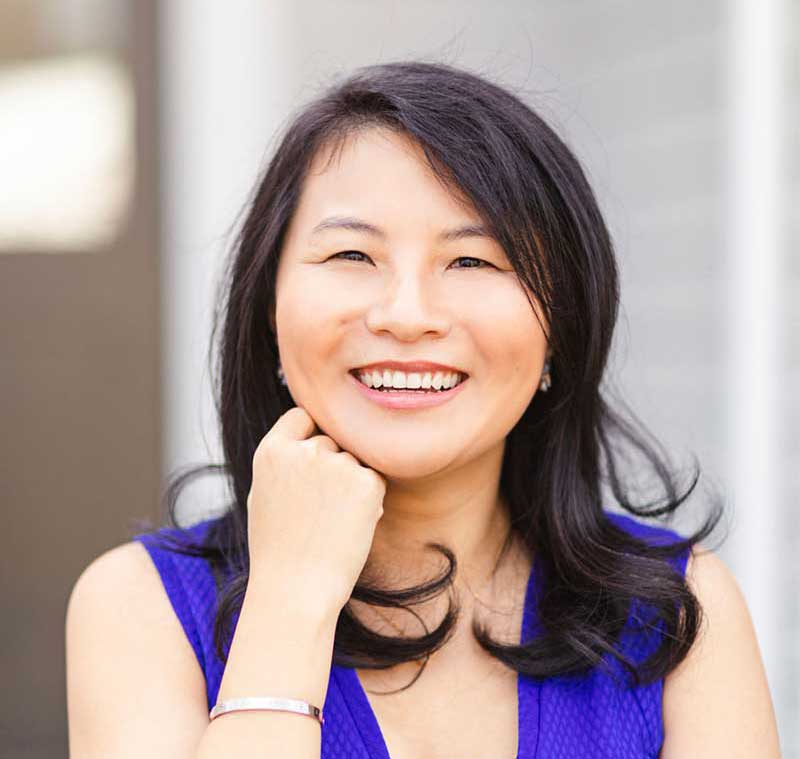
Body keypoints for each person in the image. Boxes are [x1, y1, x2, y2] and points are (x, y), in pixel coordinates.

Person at [65, 60, 780, 758]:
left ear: (560, 326)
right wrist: (289, 601)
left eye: (472, 261)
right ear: (269, 313)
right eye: (351, 255)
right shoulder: (140, 606)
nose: (407, 315)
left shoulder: (676, 613)